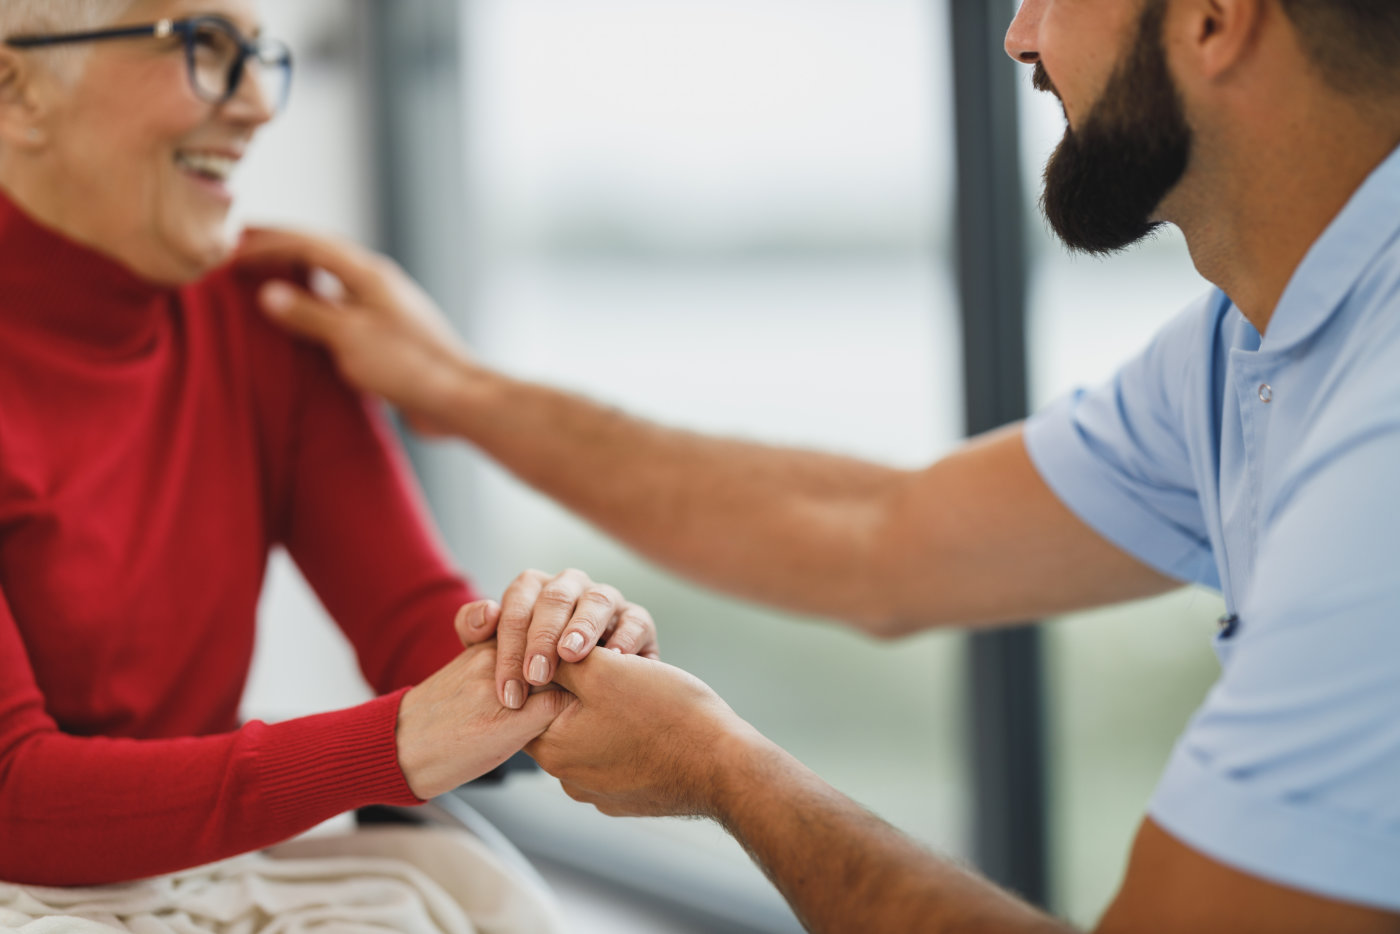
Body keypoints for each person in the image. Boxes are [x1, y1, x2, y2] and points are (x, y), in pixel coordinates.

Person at [241, 0, 1400, 931]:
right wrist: (458, 393)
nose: (1018, 34)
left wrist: (723, 771)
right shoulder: (1249, 340)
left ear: (1212, 19)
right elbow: (877, 536)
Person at [0, 0, 658, 888]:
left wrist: (554, 643)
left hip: (187, 873)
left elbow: (415, 624)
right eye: (201, 45)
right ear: (16, 88)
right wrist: (400, 743)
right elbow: (11, 795)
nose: (259, 106)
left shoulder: (267, 319)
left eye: (257, 53)